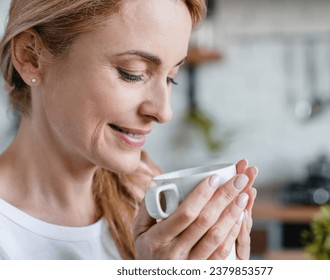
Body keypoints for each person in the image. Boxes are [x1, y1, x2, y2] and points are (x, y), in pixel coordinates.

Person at [0, 0, 258, 260]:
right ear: (30, 56)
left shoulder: (146, 204)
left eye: (171, 77)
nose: (164, 111)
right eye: (132, 73)